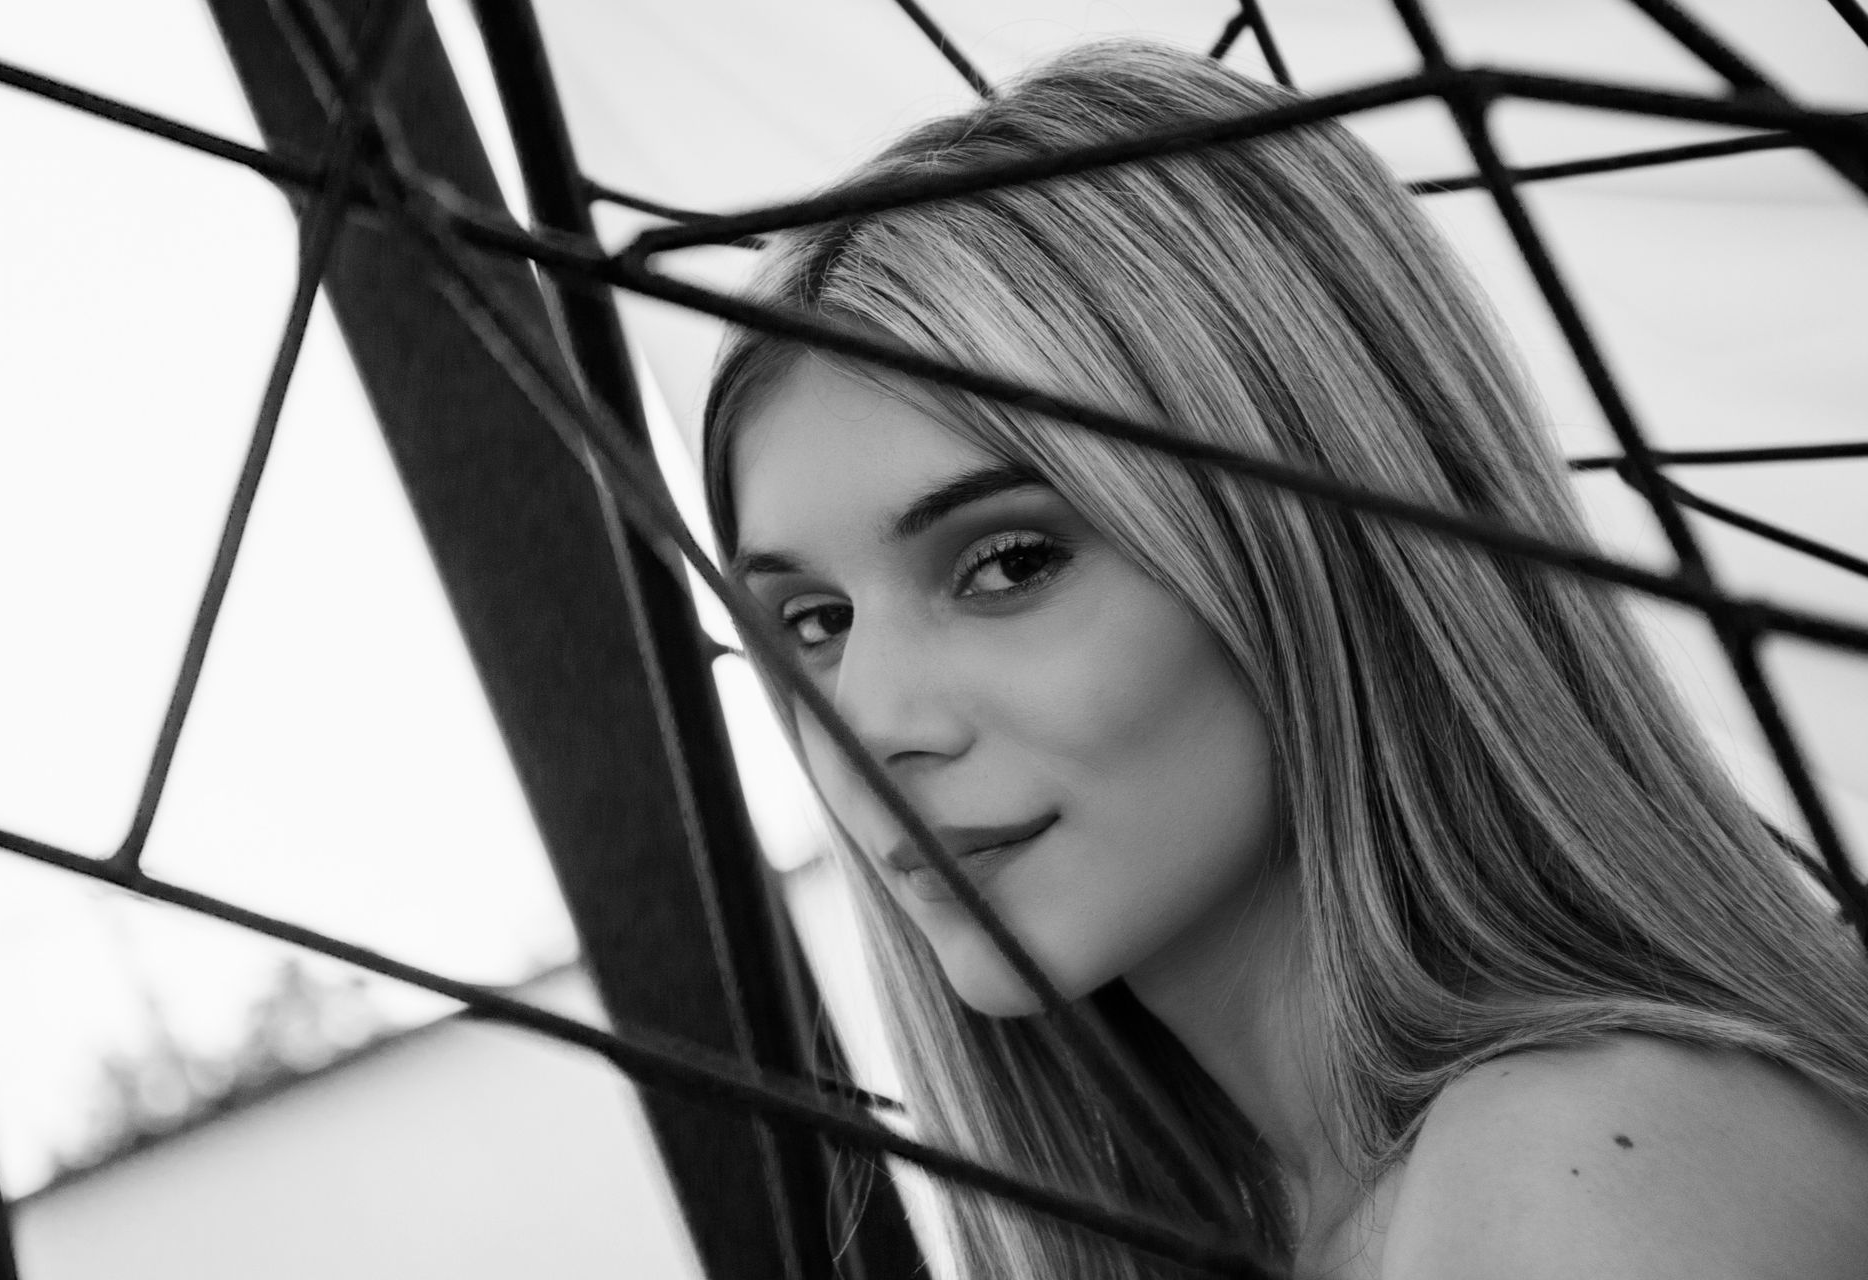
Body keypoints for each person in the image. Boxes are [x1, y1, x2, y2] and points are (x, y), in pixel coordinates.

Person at [699, 38, 1868, 1280]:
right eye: (814, 621)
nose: (869, 720)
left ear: (1314, 543)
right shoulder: (1337, 1213)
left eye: (1009, 562)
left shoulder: (1582, 1167)